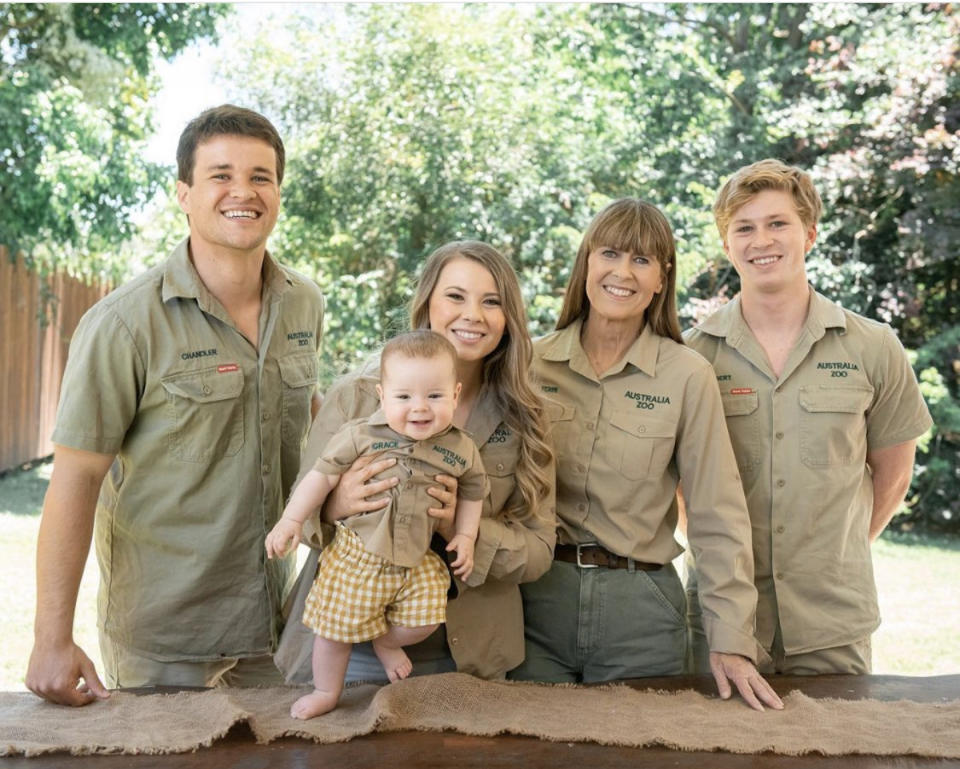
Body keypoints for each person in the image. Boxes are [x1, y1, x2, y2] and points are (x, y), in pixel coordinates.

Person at [25, 105, 324, 705]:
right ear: (183, 193)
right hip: (166, 636)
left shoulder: (303, 303)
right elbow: (76, 479)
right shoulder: (122, 323)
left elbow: (310, 423)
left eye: (261, 177)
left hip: (275, 624)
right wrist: (50, 637)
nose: (243, 191)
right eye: (221, 175)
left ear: (279, 192)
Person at [509, 198, 783, 712]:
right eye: (609, 253)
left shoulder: (687, 374)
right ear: (586, 263)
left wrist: (730, 638)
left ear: (661, 279)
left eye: (642, 260)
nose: (622, 272)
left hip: (640, 611)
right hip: (533, 605)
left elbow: (716, 512)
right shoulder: (528, 363)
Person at [684, 158, 933, 675]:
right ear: (727, 246)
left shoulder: (874, 346)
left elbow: (894, 472)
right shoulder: (692, 356)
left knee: (836, 755)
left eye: (778, 223)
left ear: (810, 234)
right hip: (722, 619)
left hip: (832, 622)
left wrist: (837, 549)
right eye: (744, 228)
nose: (762, 240)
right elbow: (680, 486)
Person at [273, 240, 556, 686]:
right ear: (427, 303)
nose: (473, 315)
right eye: (456, 296)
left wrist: (461, 530)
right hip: (350, 650)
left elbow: (540, 552)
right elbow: (298, 517)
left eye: (492, 302)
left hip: (468, 658)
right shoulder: (358, 398)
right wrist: (338, 504)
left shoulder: (524, 418)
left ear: (509, 319)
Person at [265, 330, 486, 718]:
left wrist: (465, 535)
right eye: (404, 397)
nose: (420, 408)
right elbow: (321, 476)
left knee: (428, 618)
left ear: (455, 395)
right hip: (359, 556)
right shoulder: (361, 435)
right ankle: (325, 691)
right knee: (333, 632)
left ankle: (386, 642)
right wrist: (291, 519)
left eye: (434, 396)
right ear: (383, 396)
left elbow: (473, 491)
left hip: (414, 560)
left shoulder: (459, 447)